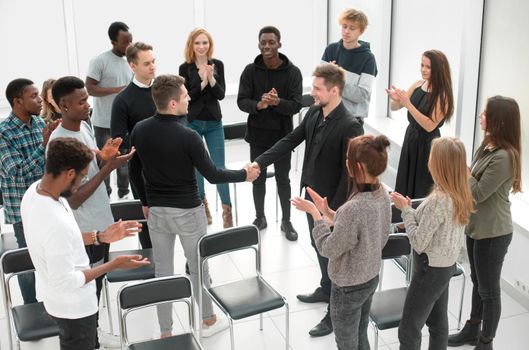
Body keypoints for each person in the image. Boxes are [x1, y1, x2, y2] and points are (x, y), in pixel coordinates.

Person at [129, 74, 260, 338]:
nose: (190, 97)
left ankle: (166, 331)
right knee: (199, 267)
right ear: (174, 104)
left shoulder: (140, 130)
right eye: (185, 95)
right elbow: (213, 174)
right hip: (188, 212)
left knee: (162, 272)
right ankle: (208, 320)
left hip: (156, 212)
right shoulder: (188, 136)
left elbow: (134, 170)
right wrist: (243, 175)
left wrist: (144, 201)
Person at [252, 63, 363, 336]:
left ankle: (334, 314)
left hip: (332, 205)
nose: (311, 93)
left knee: (334, 258)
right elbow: (291, 139)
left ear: (334, 90)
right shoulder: (314, 112)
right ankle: (326, 289)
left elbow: (350, 176)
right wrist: (259, 162)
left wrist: (331, 210)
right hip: (310, 197)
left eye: (316, 88)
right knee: (318, 246)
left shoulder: (350, 125)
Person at [21, 137, 149, 350]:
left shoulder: (35, 192)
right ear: (69, 174)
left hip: (59, 302)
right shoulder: (55, 221)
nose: (81, 182)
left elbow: (64, 241)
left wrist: (100, 236)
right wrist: (114, 264)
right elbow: (66, 281)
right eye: (82, 176)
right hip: (75, 309)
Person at [49, 76, 137, 349]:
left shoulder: (83, 127)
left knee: (96, 287)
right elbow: (72, 199)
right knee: (86, 291)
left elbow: (88, 170)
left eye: (87, 98)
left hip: (100, 221)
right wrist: (107, 169)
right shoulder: (60, 142)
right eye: (82, 101)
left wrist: (104, 157)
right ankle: (90, 340)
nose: (89, 105)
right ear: (64, 105)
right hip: (84, 231)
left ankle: (94, 336)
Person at [292, 134, 391, 350]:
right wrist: (328, 211)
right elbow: (369, 230)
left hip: (348, 287)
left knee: (346, 342)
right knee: (360, 334)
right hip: (371, 277)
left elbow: (327, 248)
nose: (345, 161)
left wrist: (315, 215)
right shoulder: (382, 194)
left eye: (347, 158)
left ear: (355, 166)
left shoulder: (353, 208)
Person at [448, 96, 522, 350]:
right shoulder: (488, 146)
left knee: (489, 290)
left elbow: (477, 192)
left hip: (494, 233)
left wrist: (462, 170)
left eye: (485, 112)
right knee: (477, 282)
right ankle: (472, 328)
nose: (480, 115)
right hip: (477, 227)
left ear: (498, 120)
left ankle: (486, 341)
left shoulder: (504, 157)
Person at [392, 137, 474, 350]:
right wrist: (414, 213)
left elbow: (419, 242)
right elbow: (437, 228)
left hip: (429, 270)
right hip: (446, 267)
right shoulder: (460, 192)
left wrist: (406, 210)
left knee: (408, 329)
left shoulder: (439, 200)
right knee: (438, 325)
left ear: (439, 163)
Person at [237, 25, 302, 241]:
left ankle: (286, 221)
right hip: (257, 136)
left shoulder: (293, 72)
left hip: (283, 138)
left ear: (279, 44)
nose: (267, 46)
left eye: (271, 42)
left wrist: (277, 102)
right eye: (263, 42)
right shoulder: (249, 71)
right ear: (259, 44)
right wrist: (260, 105)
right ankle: (260, 217)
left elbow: (295, 105)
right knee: (258, 179)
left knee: (283, 180)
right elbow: (242, 101)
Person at [0, 78, 60, 305]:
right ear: (17, 102)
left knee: (53, 257)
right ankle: (31, 307)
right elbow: (16, 173)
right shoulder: (3, 133)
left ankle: (55, 303)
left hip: (48, 203)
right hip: (23, 211)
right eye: (34, 96)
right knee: (27, 261)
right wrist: (43, 146)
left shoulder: (39, 124)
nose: (40, 100)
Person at [179, 28, 233, 228]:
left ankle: (227, 211)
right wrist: (203, 82)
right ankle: (203, 207)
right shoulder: (185, 68)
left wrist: (211, 80)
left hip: (213, 122)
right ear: (191, 45)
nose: (202, 47)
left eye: (205, 43)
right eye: (197, 43)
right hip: (192, 122)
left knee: (219, 168)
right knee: (198, 168)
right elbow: (189, 96)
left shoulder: (217, 65)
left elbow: (220, 94)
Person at [386, 49, 454, 199]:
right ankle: (402, 215)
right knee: (406, 178)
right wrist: (397, 99)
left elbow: (430, 126)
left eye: (428, 67)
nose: (423, 70)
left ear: (438, 69)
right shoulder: (418, 84)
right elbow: (395, 107)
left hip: (429, 144)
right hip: (411, 137)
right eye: (422, 65)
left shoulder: (443, 95)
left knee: (422, 183)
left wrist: (407, 103)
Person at [111, 41, 157, 249]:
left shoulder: (163, 92)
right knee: (148, 227)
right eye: (147, 63)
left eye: (154, 61)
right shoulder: (122, 100)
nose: (153, 67)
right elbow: (119, 139)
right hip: (142, 173)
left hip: (173, 169)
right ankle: (153, 270)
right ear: (132, 65)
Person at [86, 21, 133, 199]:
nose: (129, 46)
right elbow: (89, 88)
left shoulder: (130, 61)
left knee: (123, 165)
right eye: (125, 42)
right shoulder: (100, 61)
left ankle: (124, 195)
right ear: (113, 42)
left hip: (123, 123)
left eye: (131, 41)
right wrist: (117, 90)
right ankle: (104, 197)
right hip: (103, 123)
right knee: (105, 163)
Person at [321, 8, 377, 125]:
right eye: (344, 26)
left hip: (351, 121)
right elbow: (319, 84)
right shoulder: (330, 49)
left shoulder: (368, 58)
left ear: (361, 31)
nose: (346, 31)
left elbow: (361, 95)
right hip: (325, 116)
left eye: (352, 28)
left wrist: (335, 79)